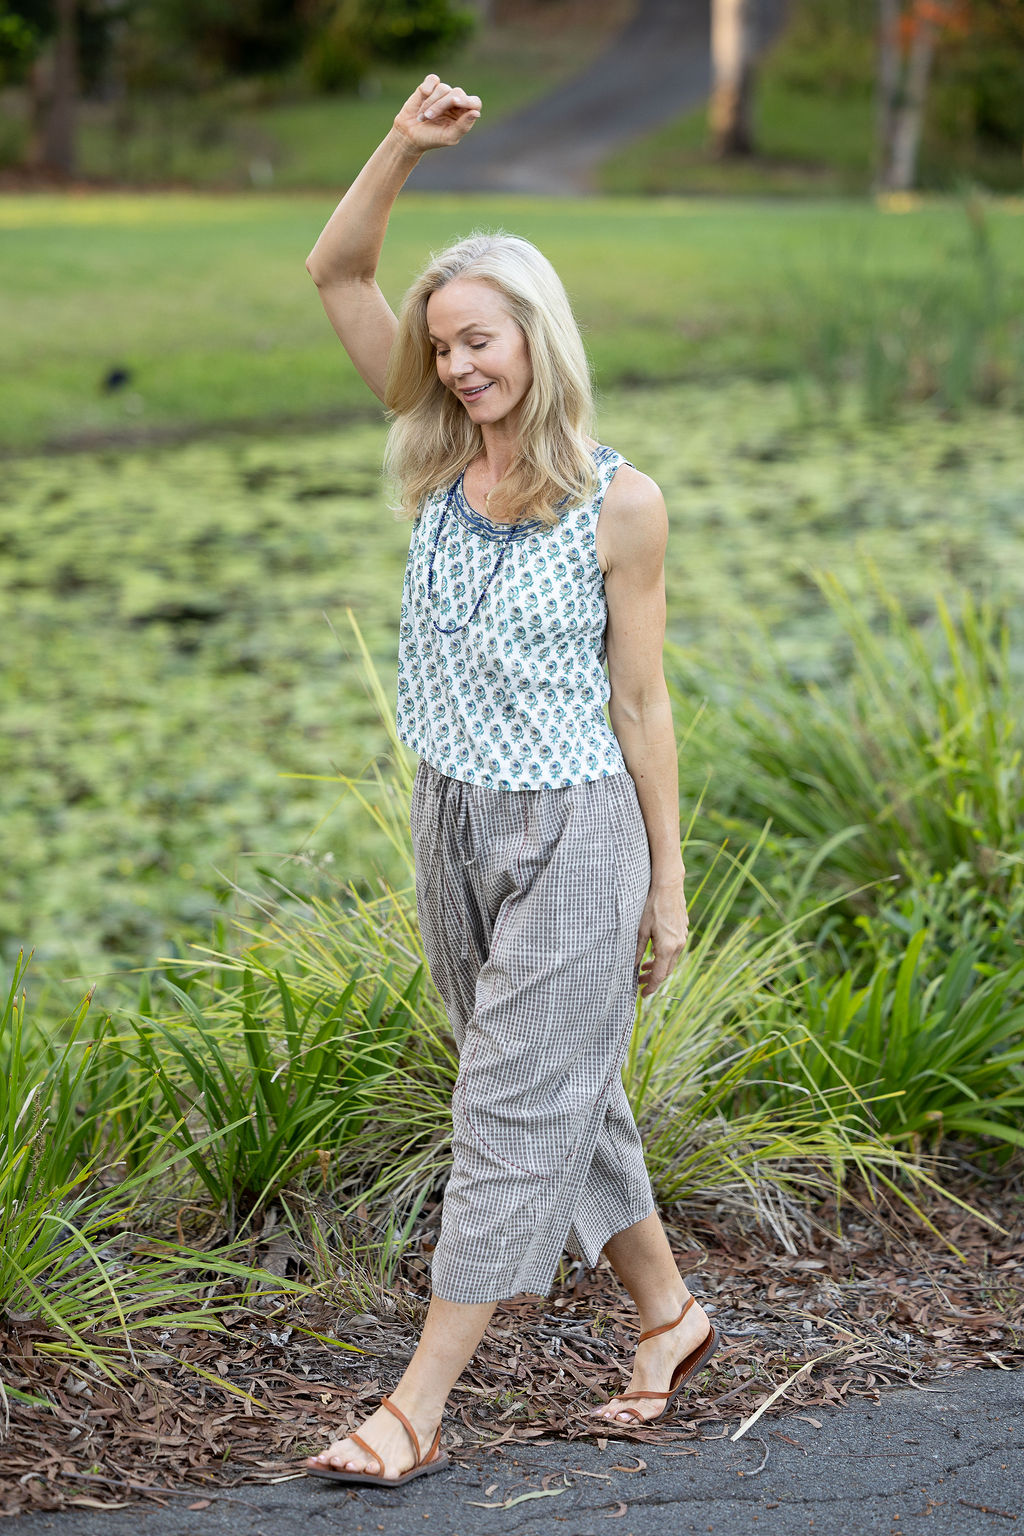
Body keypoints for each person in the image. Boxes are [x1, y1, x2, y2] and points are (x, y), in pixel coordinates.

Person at [302, 74, 717, 1488]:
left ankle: (416, 1405)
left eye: (481, 339)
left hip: (580, 834)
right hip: (454, 819)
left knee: (505, 1110)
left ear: (535, 332)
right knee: (558, 1089)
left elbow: (643, 702)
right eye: (446, 346)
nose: (464, 365)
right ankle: (671, 1317)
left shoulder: (624, 501)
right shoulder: (429, 457)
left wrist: (667, 889)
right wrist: (403, 149)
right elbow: (336, 267)